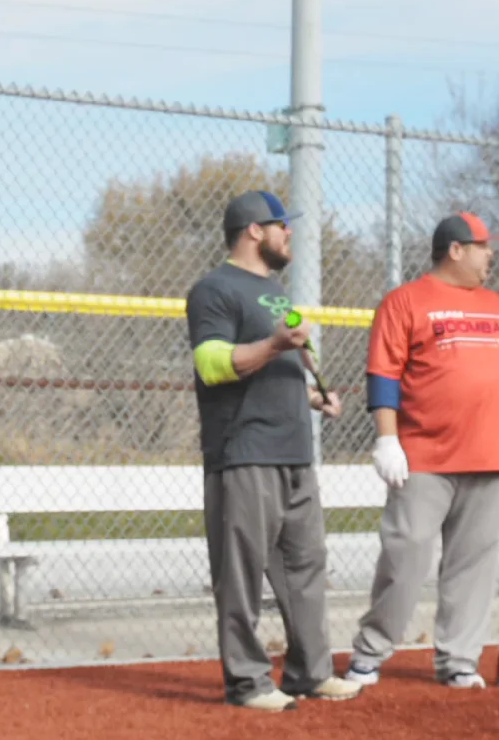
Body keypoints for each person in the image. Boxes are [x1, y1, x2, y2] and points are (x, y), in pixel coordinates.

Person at [341, 212, 499, 691]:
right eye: (483, 245)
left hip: (490, 457)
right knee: (405, 556)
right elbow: (384, 375)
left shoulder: (497, 306)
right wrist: (387, 439)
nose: (490, 254)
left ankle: (459, 660)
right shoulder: (405, 301)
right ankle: (370, 651)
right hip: (424, 457)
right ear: (455, 249)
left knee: (473, 565)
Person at [182, 190, 364, 712]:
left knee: (306, 566)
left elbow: (275, 371)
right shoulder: (214, 289)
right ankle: (247, 682)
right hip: (245, 452)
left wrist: (314, 397)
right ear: (254, 230)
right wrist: (274, 345)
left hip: (294, 452)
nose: (290, 233)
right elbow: (211, 364)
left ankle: (311, 672)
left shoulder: (275, 291)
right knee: (240, 575)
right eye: (283, 224)